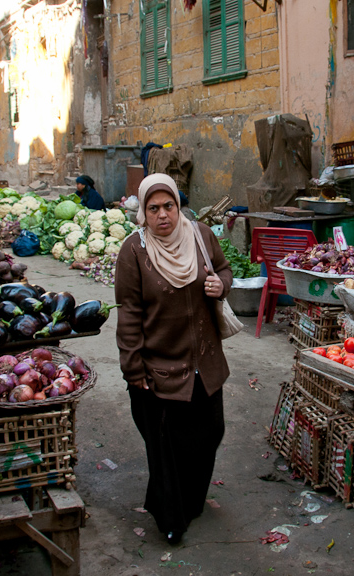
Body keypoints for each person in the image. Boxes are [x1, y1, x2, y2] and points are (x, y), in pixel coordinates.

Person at [114, 173, 233, 545]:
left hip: (205, 361)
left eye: (168, 206)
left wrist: (221, 285)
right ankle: (171, 518)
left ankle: (191, 502)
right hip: (159, 366)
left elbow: (224, 269)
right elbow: (129, 312)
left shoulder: (200, 235)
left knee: (210, 433)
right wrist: (133, 367)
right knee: (167, 445)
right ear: (143, 212)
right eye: (153, 208)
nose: (162, 215)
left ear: (178, 206)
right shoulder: (134, 251)